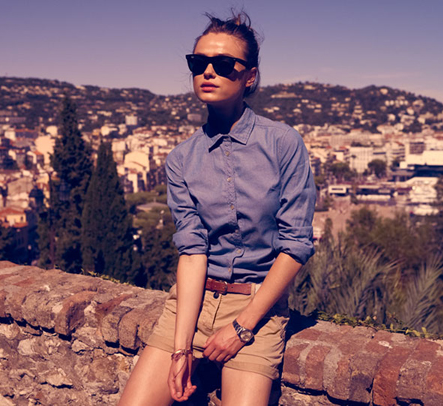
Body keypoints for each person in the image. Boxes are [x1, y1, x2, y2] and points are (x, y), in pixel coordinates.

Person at [117, 11, 315, 406]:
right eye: (199, 62)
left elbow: (295, 245)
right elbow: (193, 253)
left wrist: (242, 327)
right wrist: (180, 349)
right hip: (191, 305)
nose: (208, 71)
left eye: (224, 64)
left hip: (256, 307)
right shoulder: (181, 159)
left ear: (250, 76)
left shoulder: (282, 143)